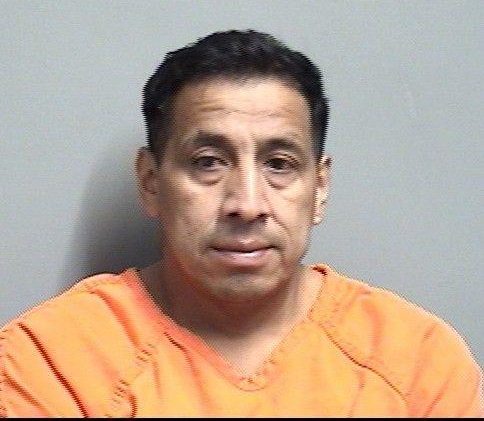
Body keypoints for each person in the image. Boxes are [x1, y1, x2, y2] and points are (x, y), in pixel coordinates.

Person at [0, 30, 482, 418]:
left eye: (279, 164)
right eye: (208, 162)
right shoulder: (52, 360)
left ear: (319, 189)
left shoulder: (418, 362)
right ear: (151, 183)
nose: (247, 204)